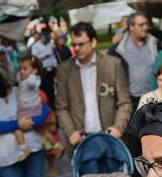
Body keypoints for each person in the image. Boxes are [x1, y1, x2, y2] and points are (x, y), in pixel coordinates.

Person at [55, 22, 132, 150]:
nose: (77, 48)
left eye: (81, 44)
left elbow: (125, 102)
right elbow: (61, 107)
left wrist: (118, 128)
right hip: (81, 143)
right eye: (74, 44)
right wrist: (71, 131)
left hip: (111, 139)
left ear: (93, 42)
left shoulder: (113, 65)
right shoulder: (64, 70)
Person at [108, 12, 162, 110]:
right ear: (131, 27)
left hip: (154, 97)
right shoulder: (117, 49)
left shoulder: (155, 43)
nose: (145, 27)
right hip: (131, 101)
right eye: (141, 25)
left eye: (146, 24)